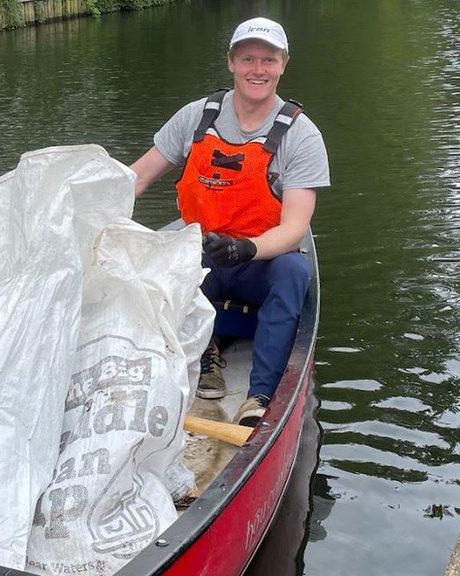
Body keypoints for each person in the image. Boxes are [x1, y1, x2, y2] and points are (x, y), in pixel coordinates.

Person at [130, 16, 329, 426]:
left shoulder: (301, 135)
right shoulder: (195, 117)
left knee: (295, 269)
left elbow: (295, 229)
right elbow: (138, 176)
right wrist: (86, 207)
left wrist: (247, 248)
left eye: (268, 60)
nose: (258, 70)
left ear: (283, 65)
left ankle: (259, 396)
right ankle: (206, 356)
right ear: (231, 63)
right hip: (204, 257)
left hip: (262, 259)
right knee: (151, 266)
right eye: (248, 59)